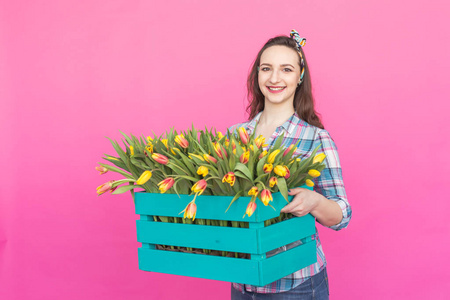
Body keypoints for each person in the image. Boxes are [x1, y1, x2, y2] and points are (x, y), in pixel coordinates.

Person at [229, 30, 352, 299]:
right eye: (266, 69)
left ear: (300, 77)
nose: (274, 78)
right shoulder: (234, 136)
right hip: (241, 280)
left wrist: (315, 202)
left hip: (296, 285)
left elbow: (342, 215)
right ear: (257, 75)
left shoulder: (315, 138)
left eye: (286, 69)